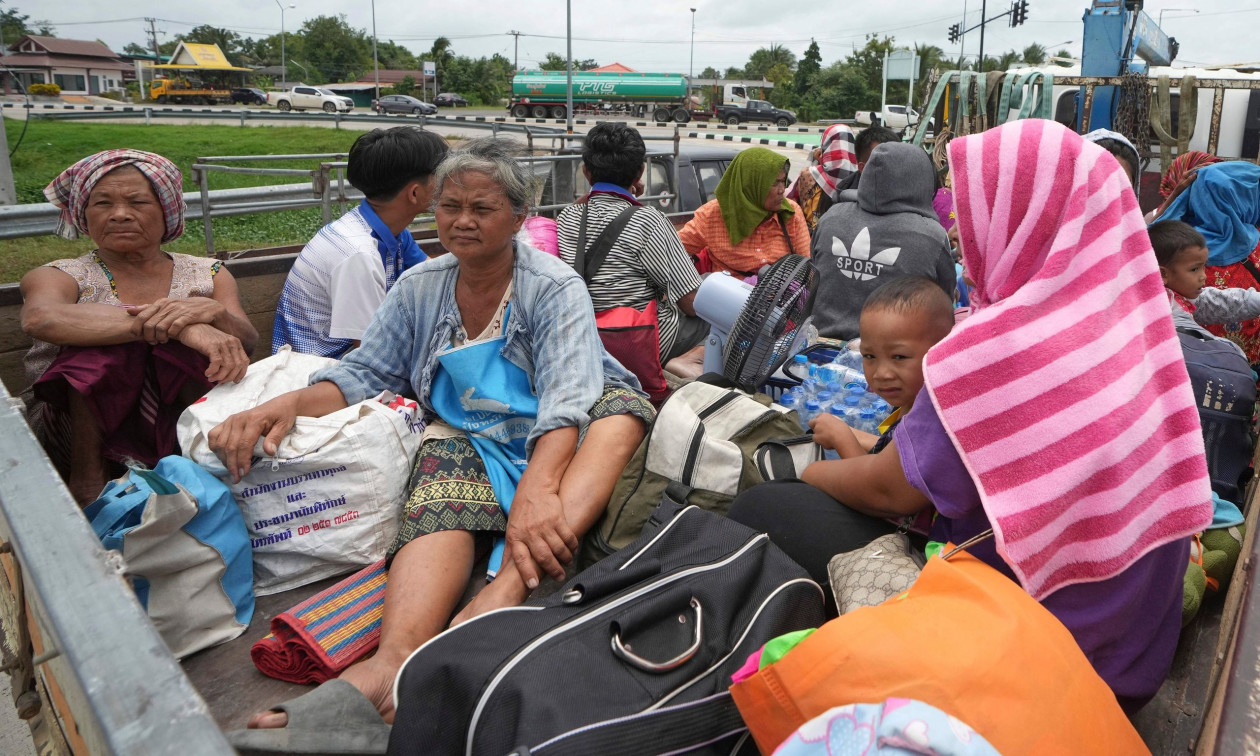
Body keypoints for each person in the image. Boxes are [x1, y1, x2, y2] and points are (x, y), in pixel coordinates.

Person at [737, 120, 1213, 713]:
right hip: (1127, 664)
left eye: (979, 212)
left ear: (1025, 222)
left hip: (1036, 660)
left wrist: (809, 473)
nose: (963, 232)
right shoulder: (1137, 331)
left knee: (765, 503)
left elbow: (891, 494)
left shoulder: (994, 351)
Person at [213, 138, 653, 747]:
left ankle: (503, 593)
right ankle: (391, 664)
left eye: (482, 208)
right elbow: (365, 374)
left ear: (519, 218)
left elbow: (567, 401)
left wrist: (536, 488)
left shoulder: (552, 286)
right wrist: (280, 404)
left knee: (620, 421)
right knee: (438, 467)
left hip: (572, 417)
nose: (462, 221)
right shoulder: (421, 285)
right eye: (450, 206)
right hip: (479, 426)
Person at [21, 149, 257, 506]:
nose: (119, 215)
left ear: (167, 212)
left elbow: (249, 342)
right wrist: (182, 327)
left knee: (170, 347)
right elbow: (41, 318)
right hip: (77, 434)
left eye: (137, 202)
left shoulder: (207, 273)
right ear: (84, 214)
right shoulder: (61, 274)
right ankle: (88, 485)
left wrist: (214, 314)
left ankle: (207, 469)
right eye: (102, 203)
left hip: (188, 423)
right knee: (107, 346)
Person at [728, 275, 954, 583]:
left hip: (917, 549)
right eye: (869, 357)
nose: (881, 372)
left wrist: (834, 451)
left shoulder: (934, 406)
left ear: (943, 348)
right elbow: (900, 456)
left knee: (770, 495)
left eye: (899, 357)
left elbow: (879, 493)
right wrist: (864, 439)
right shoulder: (919, 403)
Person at [272, 127, 450, 358]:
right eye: (443, 176)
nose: (450, 183)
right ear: (415, 194)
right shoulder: (358, 256)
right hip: (320, 372)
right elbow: (374, 356)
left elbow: (434, 278)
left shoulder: (387, 230)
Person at [556, 122, 708, 371]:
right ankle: (684, 364)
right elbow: (690, 302)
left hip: (585, 338)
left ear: (585, 172)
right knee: (713, 313)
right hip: (637, 342)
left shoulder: (567, 217)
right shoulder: (649, 220)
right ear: (640, 172)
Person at [810, 141, 955, 341]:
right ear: (922, 182)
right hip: (895, 357)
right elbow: (945, 300)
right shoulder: (932, 235)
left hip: (818, 347)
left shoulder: (831, 217)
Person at [1156, 160, 1260, 366]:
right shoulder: (1254, 242)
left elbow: (1210, 301)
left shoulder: (1174, 247)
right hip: (1230, 371)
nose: (1202, 276)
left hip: (1205, 371)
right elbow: (1210, 303)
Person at [678, 147, 811, 279]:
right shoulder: (712, 215)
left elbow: (807, 267)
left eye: (783, 181)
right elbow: (672, 249)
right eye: (775, 183)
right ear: (751, 185)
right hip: (727, 297)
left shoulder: (791, 213)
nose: (782, 190)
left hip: (779, 297)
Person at [1152, 219, 1260, 332]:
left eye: (1203, 267)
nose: (1203, 276)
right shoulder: (1162, 317)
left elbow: (1216, 302)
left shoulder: (1183, 297)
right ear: (1163, 274)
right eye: (1194, 269)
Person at [788, 124, 857, 234]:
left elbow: (800, 204)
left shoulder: (809, 174)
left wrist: (817, 161)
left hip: (810, 237)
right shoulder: (860, 175)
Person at [833, 125, 900, 197]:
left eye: (898, 159)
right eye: (884, 161)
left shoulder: (909, 189)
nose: (894, 166)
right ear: (863, 168)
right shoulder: (843, 203)